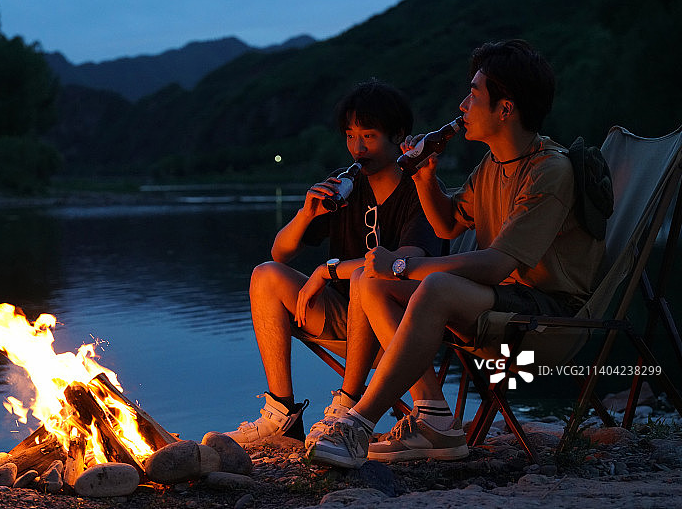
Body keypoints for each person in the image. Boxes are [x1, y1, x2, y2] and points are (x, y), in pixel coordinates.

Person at [307, 39, 606, 468]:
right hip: (500, 304)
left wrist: (406, 263)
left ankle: (358, 424)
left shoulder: (548, 171)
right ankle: (434, 419)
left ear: (505, 109)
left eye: (475, 93)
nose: (463, 104)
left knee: (435, 286)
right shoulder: (492, 166)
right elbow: (449, 223)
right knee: (369, 279)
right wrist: (425, 175)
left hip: (546, 319)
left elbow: (500, 263)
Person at [224, 79, 442, 444]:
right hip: (345, 319)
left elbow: (410, 257)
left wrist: (327, 271)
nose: (358, 148)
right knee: (265, 275)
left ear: (399, 136)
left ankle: (349, 404)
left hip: (400, 325)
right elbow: (281, 253)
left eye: (369, 136)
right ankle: (281, 413)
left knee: (363, 280)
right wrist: (306, 214)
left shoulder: (417, 189)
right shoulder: (346, 189)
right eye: (350, 136)